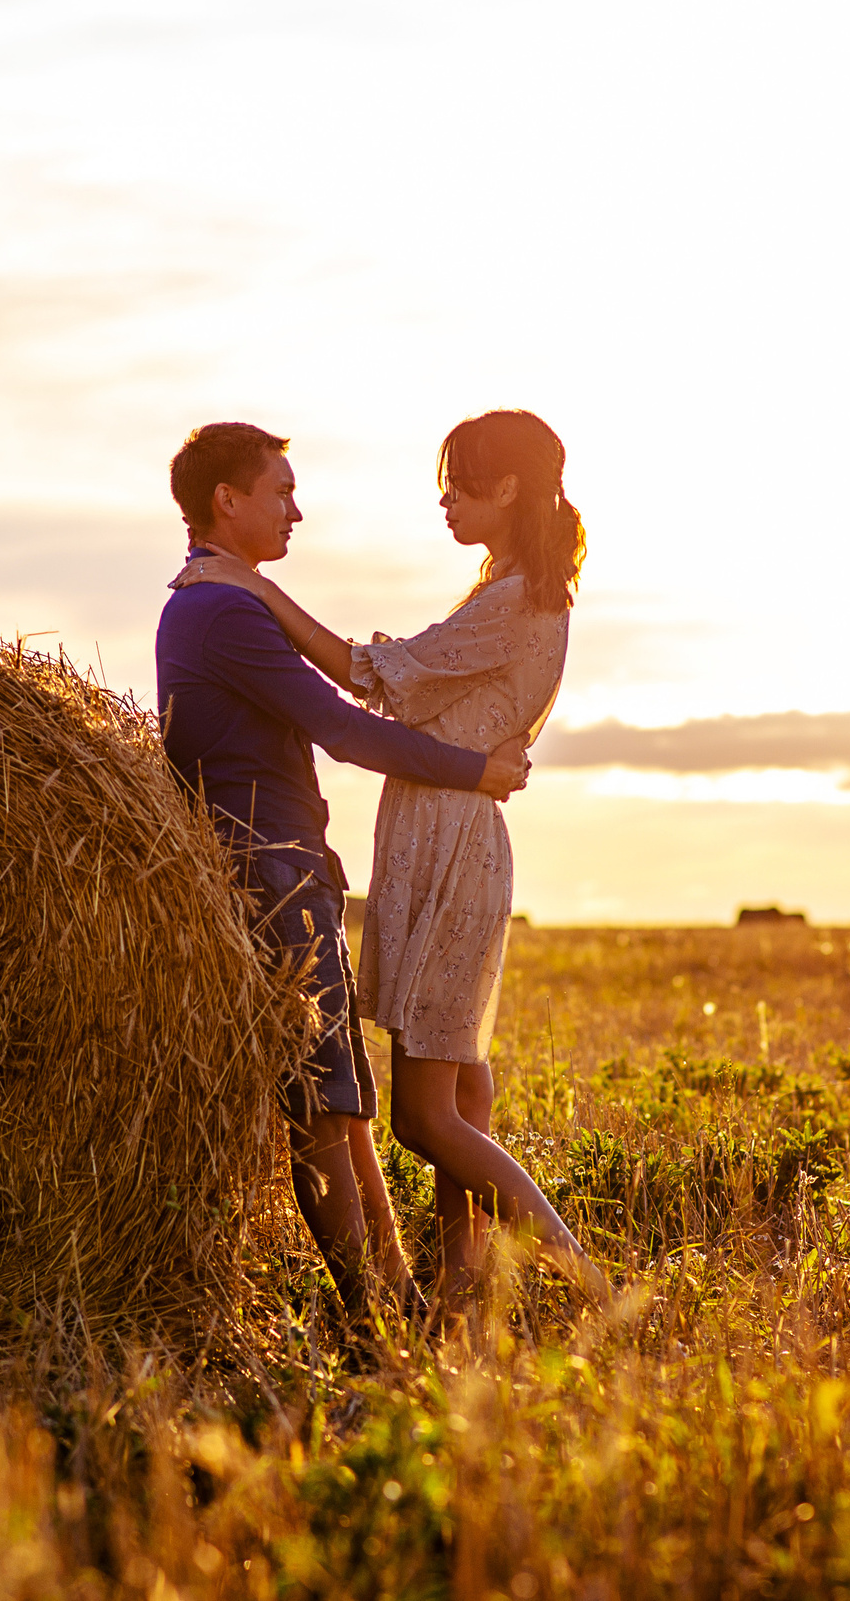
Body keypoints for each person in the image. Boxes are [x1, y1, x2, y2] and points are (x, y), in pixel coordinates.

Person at [173, 409, 603, 1321]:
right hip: (436, 829)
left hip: (448, 836)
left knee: (422, 1111)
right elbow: (376, 699)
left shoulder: (517, 598)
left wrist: (251, 587)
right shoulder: (505, 590)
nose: (445, 498)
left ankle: (583, 1281)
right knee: (458, 1081)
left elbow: (364, 686)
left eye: (461, 481)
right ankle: (454, 1294)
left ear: (510, 488)